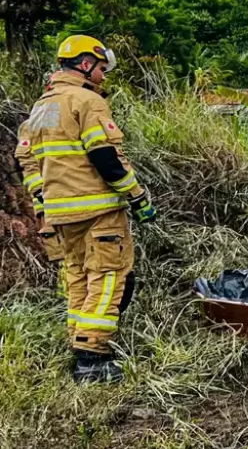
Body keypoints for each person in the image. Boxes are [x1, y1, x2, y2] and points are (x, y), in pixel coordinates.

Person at [14, 35, 158, 384]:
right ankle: (93, 359)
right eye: (100, 67)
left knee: (78, 278)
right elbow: (105, 157)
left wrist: (44, 201)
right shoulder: (86, 101)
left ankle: (79, 344)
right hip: (98, 211)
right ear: (83, 64)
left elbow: (26, 163)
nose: (104, 75)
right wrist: (138, 198)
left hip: (60, 216)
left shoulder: (40, 107)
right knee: (109, 277)